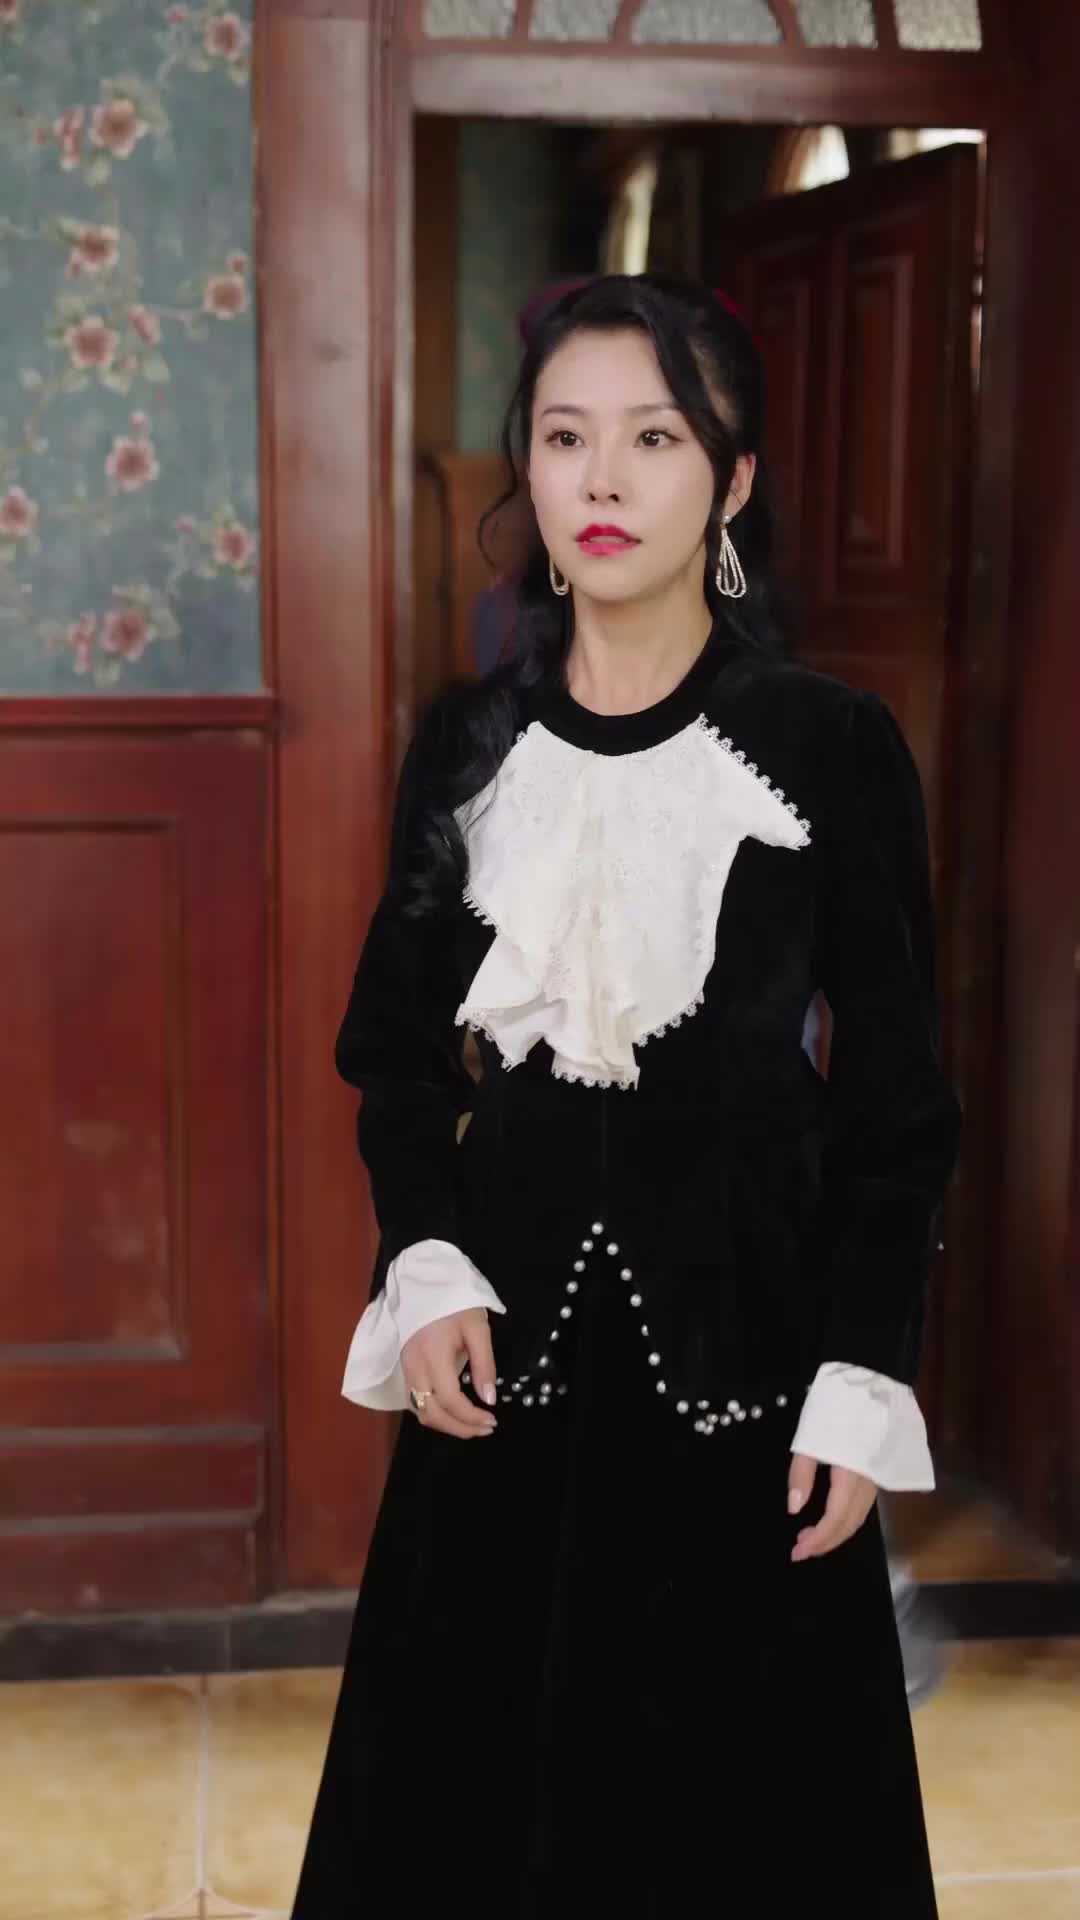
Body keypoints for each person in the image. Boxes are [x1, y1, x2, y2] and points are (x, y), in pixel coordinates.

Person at [291, 273, 961, 1915]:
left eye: (654, 439)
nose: (601, 479)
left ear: (730, 483)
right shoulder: (470, 748)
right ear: (526, 467)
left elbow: (898, 1111)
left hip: (751, 1389)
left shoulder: (829, 743)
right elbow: (394, 1054)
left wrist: (862, 1369)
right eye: (565, 437)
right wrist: (425, 1257)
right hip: (497, 1383)